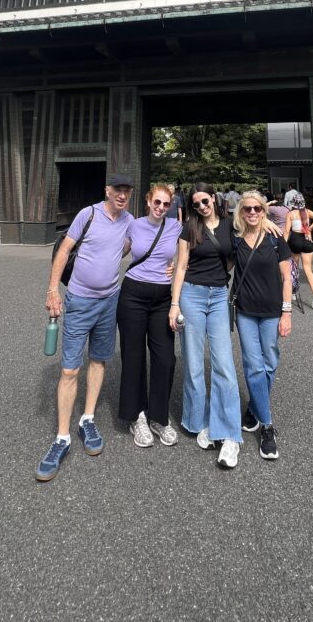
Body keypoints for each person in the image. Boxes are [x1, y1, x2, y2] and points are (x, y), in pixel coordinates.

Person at [36, 173, 134, 482]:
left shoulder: (129, 220)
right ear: (107, 190)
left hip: (109, 301)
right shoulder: (87, 214)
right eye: (117, 189)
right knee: (69, 369)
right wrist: (53, 290)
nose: (122, 195)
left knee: (99, 359)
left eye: (127, 191)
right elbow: (64, 250)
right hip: (79, 301)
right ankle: (62, 437)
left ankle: (87, 419)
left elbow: (149, 239)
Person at [168, 182, 243, 469]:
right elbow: (182, 265)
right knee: (195, 362)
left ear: (214, 198)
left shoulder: (228, 224)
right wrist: (174, 305)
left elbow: (248, 235)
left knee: (224, 363)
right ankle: (198, 420)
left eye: (205, 200)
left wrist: (274, 228)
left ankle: (228, 431)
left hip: (219, 295)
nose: (202, 206)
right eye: (196, 203)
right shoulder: (189, 228)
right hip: (192, 295)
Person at [118, 184, 183, 448]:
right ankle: (137, 416)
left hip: (162, 299)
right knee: (133, 357)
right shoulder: (133, 225)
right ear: (148, 201)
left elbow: (195, 249)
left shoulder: (175, 227)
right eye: (157, 202)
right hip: (132, 294)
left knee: (165, 358)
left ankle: (158, 415)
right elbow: (116, 249)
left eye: (166, 204)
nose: (161, 208)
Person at [232, 191, 293, 460]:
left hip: (271, 311)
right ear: (241, 213)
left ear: (264, 211)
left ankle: (254, 408)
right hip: (245, 311)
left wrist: (287, 312)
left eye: (258, 209)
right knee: (253, 365)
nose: (253, 213)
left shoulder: (275, 239)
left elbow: (287, 277)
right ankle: (267, 427)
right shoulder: (235, 240)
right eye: (248, 209)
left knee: (270, 361)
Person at [283, 192, 313, 309]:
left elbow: (286, 231)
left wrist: (283, 245)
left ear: (294, 203)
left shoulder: (291, 214)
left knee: (294, 267)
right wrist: (309, 229)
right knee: (308, 270)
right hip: (307, 241)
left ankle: (294, 292)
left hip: (295, 240)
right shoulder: (307, 212)